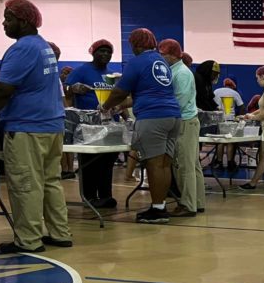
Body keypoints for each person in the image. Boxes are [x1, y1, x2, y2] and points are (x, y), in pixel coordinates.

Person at [0, 0, 71, 253]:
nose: (4, 23)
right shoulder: (43, 47)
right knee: (51, 181)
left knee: (26, 184)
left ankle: (28, 240)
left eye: (8, 18)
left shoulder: (22, 48)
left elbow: (5, 90)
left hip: (28, 125)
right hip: (52, 124)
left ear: (25, 20)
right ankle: (60, 232)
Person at [100, 28, 182, 224]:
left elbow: (120, 91)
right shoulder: (161, 61)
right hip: (173, 116)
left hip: (152, 118)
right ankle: (160, 206)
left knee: (153, 163)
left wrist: (106, 106)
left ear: (135, 45)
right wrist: (122, 105)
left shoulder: (136, 62)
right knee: (164, 164)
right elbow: (149, 92)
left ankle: (157, 210)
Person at [65, 39, 120, 207]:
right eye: (101, 51)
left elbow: (115, 97)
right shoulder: (82, 71)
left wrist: (124, 115)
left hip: (109, 123)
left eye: (108, 52)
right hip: (88, 125)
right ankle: (89, 196)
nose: (105, 54)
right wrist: (73, 89)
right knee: (90, 162)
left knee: (108, 161)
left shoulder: (111, 75)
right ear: (93, 53)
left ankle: (105, 195)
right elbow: (65, 91)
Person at [159, 38, 204, 218]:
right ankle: (198, 202)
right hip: (188, 121)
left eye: (162, 55)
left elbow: (180, 101)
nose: (160, 58)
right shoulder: (176, 71)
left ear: (172, 55)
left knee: (184, 166)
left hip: (184, 122)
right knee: (193, 166)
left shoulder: (181, 73)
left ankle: (187, 204)